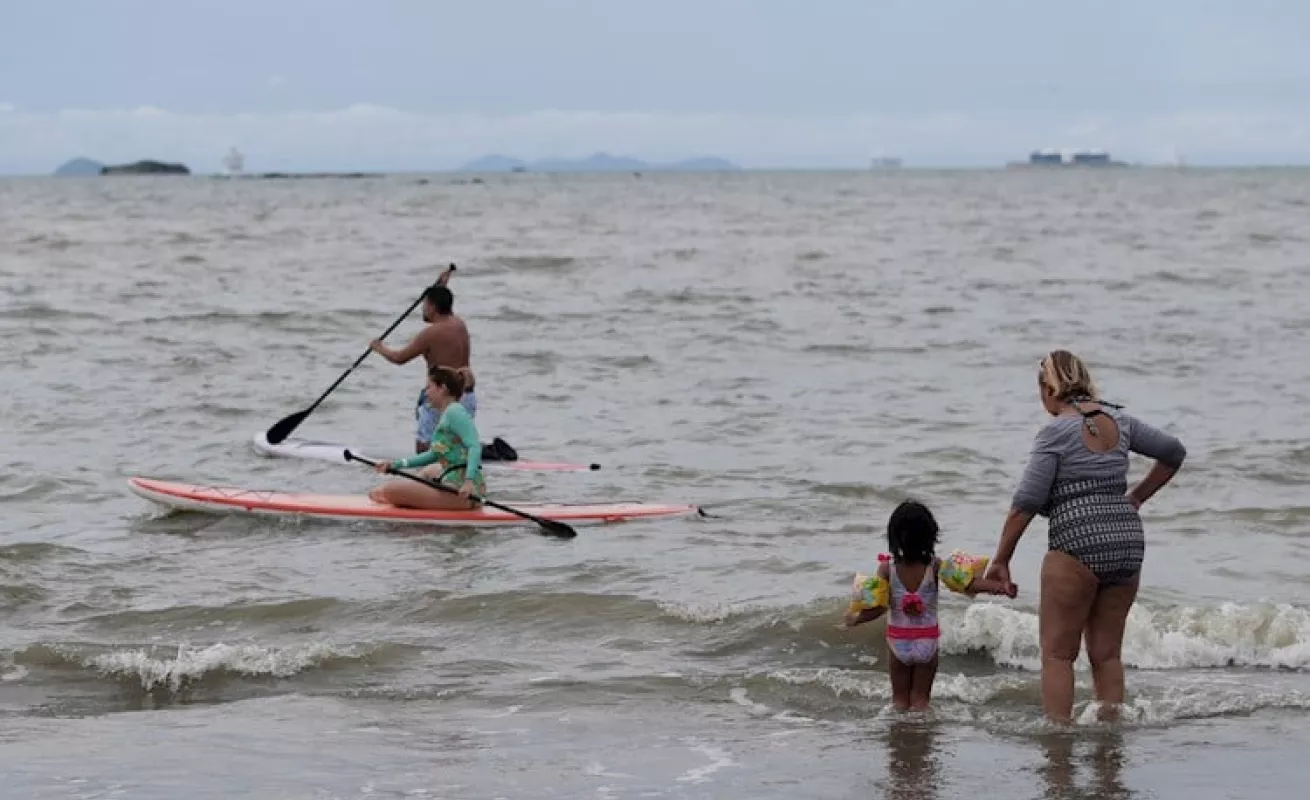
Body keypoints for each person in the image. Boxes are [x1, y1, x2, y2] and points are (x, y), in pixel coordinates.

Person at [984, 349, 1186, 724]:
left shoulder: (1054, 432)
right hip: (1126, 539)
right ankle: (1109, 754)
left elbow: (1025, 502)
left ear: (1048, 388)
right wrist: (1137, 497)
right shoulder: (1119, 420)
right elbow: (1173, 452)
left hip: (1077, 541)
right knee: (1106, 654)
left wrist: (1001, 559)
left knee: (1058, 655)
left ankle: (1058, 751)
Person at [844, 500, 1017, 711]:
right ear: (930, 537)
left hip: (898, 642)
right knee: (921, 701)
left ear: (894, 537)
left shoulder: (886, 569)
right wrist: (1000, 587)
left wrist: (854, 619)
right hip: (927, 641)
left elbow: (878, 607)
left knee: (899, 701)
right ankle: (922, 736)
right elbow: (968, 583)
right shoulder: (935, 566)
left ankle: (899, 735)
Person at [368, 267, 476, 454]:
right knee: (455, 449)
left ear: (433, 307)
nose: (423, 308)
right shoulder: (459, 324)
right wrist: (441, 285)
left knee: (425, 448)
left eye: (425, 304)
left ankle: (425, 480)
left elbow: (399, 358)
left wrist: (379, 348)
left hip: (442, 397)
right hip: (467, 396)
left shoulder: (431, 333)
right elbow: (444, 303)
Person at [368, 366, 484, 510]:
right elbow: (434, 454)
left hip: (463, 493)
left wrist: (469, 481)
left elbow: (474, 445)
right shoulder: (448, 414)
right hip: (456, 484)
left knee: (389, 490)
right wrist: (395, 465)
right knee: (429, 470)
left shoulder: (455, 412)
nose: (426, 392)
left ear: (443, 388)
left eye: (429, 387)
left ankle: (410, 497)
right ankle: (420, 496)